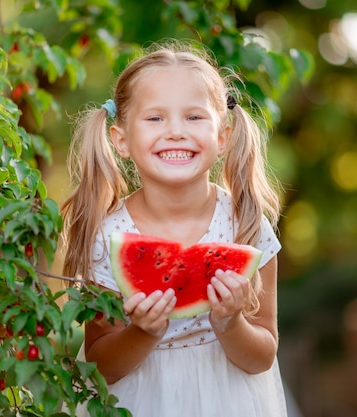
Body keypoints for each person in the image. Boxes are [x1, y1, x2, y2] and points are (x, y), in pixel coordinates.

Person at [60, 40, 288, 416]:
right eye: (155, 118)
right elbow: (101, 366)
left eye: (194, 117)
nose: (176, 132)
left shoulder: (246, 224)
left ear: (222, 137)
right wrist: (143, 331)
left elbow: (262, 355)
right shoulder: (108, 237)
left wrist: (230, 322)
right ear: (121, 140)